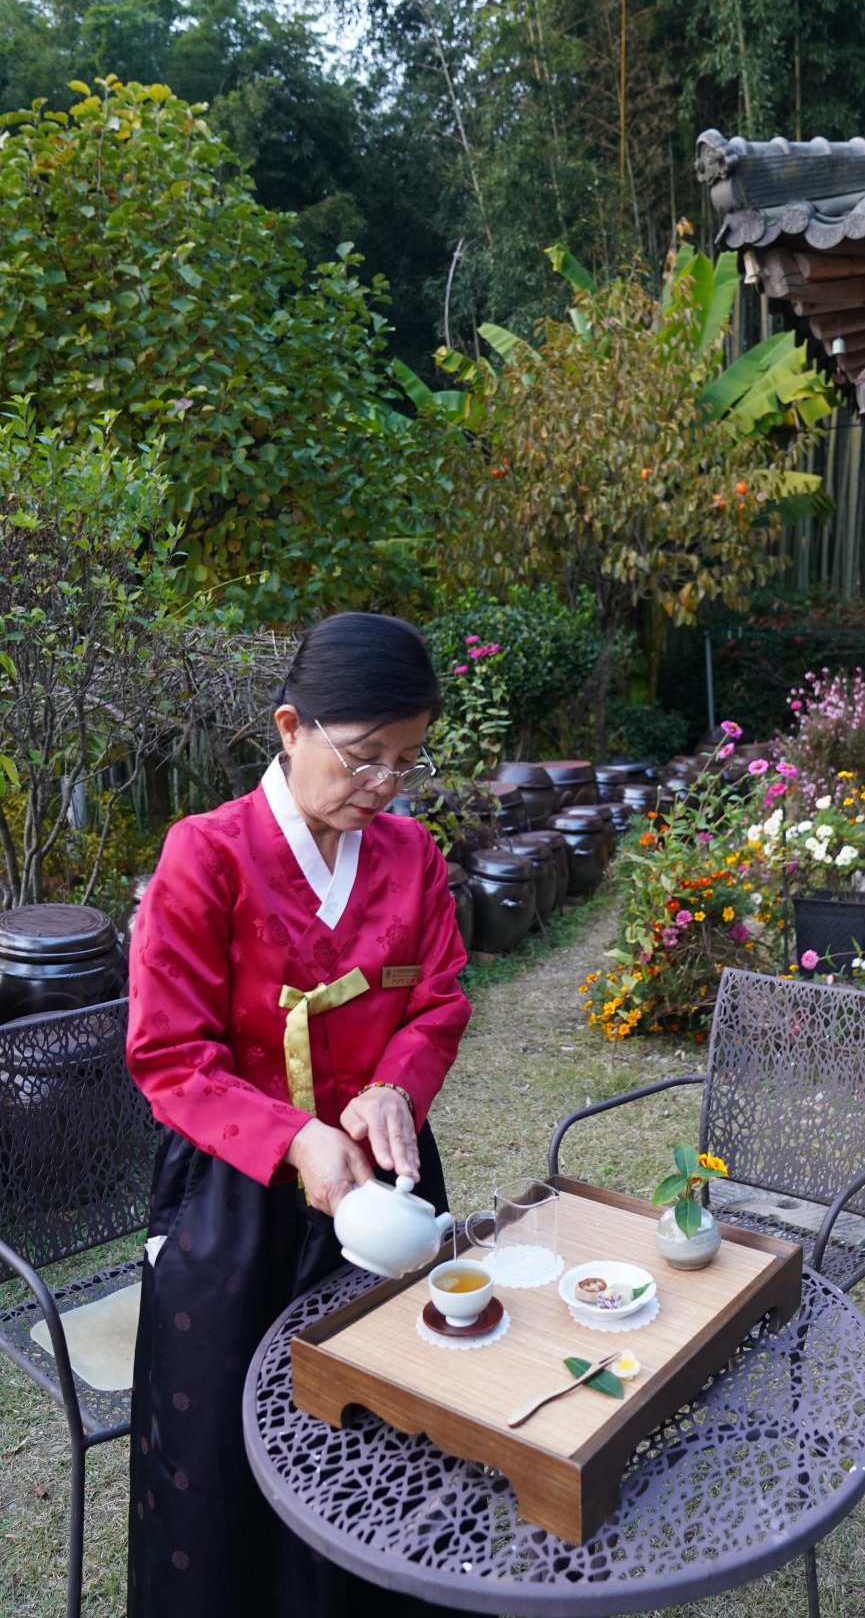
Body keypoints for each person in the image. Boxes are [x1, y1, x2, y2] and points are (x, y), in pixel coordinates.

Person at [126, 613, 473, 1617]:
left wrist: (394, 1088)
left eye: (407, 763)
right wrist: (293, 1136)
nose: (386, 787)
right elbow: (168, 1056)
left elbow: (438, 997)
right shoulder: (210, 858)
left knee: (385, 1438)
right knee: (229, 1456)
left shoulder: (408, 856)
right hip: (234, 1202)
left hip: (385, 1183)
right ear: (291, 727)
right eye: (365, 759)